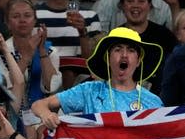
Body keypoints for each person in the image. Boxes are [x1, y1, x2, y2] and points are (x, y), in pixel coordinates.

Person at [33, 27, 163, 125]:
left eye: (131, 50)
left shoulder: (153, 102)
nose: (124, 55)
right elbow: (39, 105)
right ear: (108, 58)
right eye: (118, 49)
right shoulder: (89, 91)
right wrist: (46, 115)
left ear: (138, 60)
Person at [37, 0, 102, 89]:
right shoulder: (33, 16)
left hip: (79, 88)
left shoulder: (90, 16)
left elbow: (93, 64)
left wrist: (82, 33)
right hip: (40, 84)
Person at [4, 0, 62, 129]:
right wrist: (27, 55)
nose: (22, 20)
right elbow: (8, 85)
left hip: (40, 113)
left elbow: (52, 87)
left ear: (35, 20)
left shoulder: (50, 51)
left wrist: (41, 52)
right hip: (9, 113)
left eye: (27, 15)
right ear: (7, 22)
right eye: (16, 16)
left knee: (45, 135)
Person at [119, 0, 177, 95]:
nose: (135, 5)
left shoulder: (164, 35)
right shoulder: (115, 36)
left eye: (141, 1)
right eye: (130, 1)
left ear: (150, 5)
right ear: (122, 5)